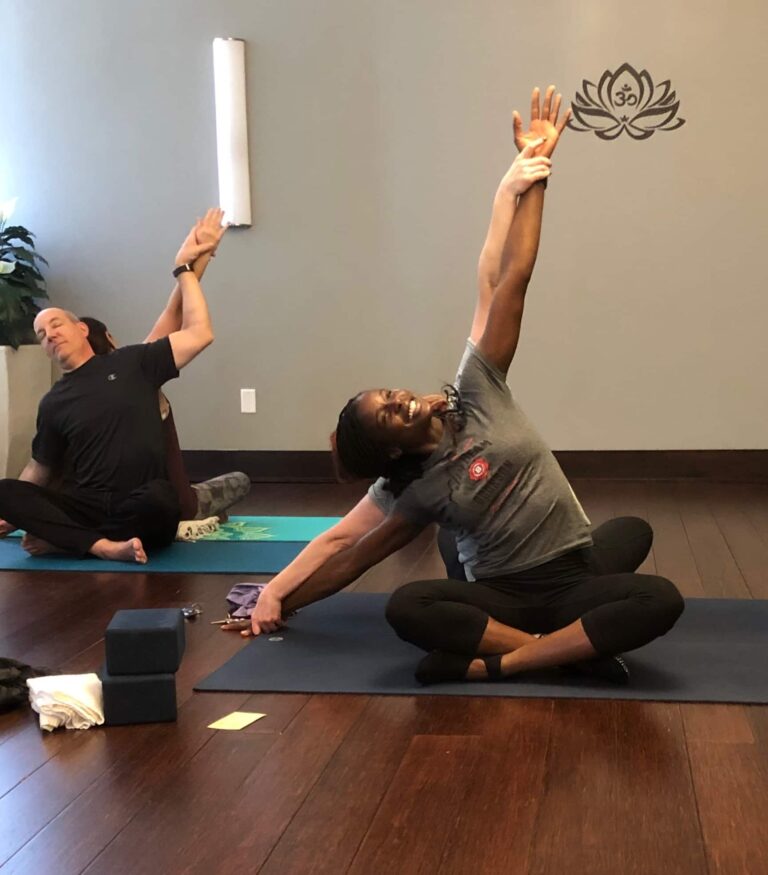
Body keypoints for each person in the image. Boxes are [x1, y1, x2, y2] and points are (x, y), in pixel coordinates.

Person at [224, 86, 684, 685]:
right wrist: (278, 596)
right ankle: (567, 652)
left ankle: (507, 660)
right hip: (504, 593)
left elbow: (507, 279)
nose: (400, 398)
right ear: (391, 450)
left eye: (388, 393)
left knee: (634, 536)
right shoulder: (413, 492)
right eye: (389, 413)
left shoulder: (476, 390)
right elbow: (345, 546)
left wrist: (536, 173)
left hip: (572, 572)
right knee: (409, 605)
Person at [0, 211, 220, 563]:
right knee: (6, 491)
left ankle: (68, 541)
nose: (49, 334)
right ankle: (102, 546)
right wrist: (13, 513)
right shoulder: (54, 401)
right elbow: (39, 468)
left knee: (161, 500)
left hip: (140, 502)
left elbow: (188, 324)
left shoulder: (133, 363)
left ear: (82, 329)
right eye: (41, 334)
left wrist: (189, 266)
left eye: (55, 324)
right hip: (87, 506)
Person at [77, 211, 250, 534]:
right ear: (112, 340)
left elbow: (175, 309)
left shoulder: (70, 393)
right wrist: (191, 261)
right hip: (170, 503)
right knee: (239, 481)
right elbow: (177, 312)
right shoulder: (137, 372)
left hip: (101, 508)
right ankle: (197, 517)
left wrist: (193, 261)